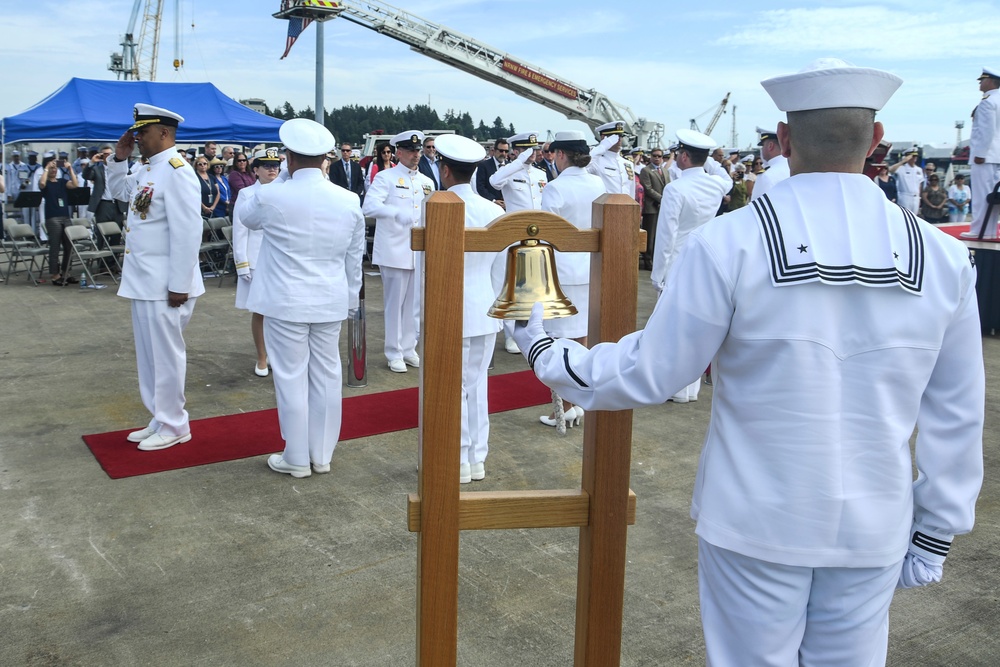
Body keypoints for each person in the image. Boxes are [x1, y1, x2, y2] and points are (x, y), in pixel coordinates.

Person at [513, 58, 984, 667]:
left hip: (756, 519)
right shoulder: (945, 258)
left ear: (784, 142)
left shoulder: (731, 242)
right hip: (875, 524)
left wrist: (552, 355)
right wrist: (939, 524)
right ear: (877, 141)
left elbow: (653, 371)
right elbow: (957, 410)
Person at [241, 119, 366, 478]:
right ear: (327, 158)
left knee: (291, 375)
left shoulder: (271, 193)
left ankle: (296, 457)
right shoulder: (348, 199)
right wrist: (351, 301)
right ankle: (321, 454)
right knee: (326, 375)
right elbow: (353, 258)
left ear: (289, 158)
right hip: (330, 298)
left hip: (286, 300)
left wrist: (281, 178)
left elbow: (248, 219)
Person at [106, 103, 205, 451]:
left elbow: (188, 231)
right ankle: (161, 415)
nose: (137, 139)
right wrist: (118, 159)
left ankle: (176, 424)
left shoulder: (177, 171)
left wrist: (179, 284)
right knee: (149, 356)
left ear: (163, 133)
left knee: (166, 356)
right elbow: (119, 193)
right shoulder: (147, 169)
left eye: (142, 133)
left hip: (166, 284)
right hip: (144, 281)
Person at [435, 134, 505, 483]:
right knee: (477, 386)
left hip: (448, 307)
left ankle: (459, 458)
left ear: (445, 170)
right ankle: (477, 457)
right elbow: (501, 270)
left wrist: (422, 317)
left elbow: (425, 271)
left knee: (452, 387)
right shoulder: (494, 210)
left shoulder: (434, 205)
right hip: (484, 307)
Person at [650, 129, 732, 404]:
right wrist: (710, 160)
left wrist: (658, 274)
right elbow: (725, 179)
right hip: (706, 260)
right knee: (696, 328)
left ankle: (673, 386)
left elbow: (666, 236)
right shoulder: (716, 185)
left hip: (677, 263)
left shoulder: (675, 189)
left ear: (683, 156)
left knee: (671, 329)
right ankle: (689, 389)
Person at [536, 130, 606, 429]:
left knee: (560, 343)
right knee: (581, 339)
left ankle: (562, 407)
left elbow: (543, 235)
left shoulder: (555, 188)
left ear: (561, 155)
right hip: (590, 269)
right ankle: (575, 403)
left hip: (562, 273)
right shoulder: (598, 182)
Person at [362, 130, 435, 373]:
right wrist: (393, 212)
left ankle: (409, 347)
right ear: (399, 152)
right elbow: (369, 206)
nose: (416, 155)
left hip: (418, 252)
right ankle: (393, 351)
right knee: (394, 305)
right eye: (411, 151)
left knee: (414, 305)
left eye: (418, 150)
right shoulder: (386, 177)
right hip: (394, 249)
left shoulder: (427, 182)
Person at [488, 131, 548, 354]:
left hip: (536, 236)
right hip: (513, 236)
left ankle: (530, 330)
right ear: (517, 151)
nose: (533, 153)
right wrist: (519, 161)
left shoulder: (541, 174)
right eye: (527, 149)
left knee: (532, 287)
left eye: (535, 149)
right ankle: (510, 333)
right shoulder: (508, 172)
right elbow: (494, 182)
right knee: (509, 286)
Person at [232, 148, 282, 377]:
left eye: (275, 165)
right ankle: (262, 357)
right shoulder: (246, 194)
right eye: (266, 165)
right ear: (255, 170)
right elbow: (240, 231)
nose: (272, 169)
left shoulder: (286, 191)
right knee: (260, 310)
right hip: (257, 257)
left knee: (281, 311)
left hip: (281, 259)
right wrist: (242, 263)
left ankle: (278, 354)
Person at [962, 67, 1000, 239]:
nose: (980, 82)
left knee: (981, 195)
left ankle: (979, 230)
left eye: (982, 80)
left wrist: (980, 153)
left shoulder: (988, 102)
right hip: (995, 155)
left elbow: (986, 130)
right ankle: (989, 231)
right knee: (990, 196)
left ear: (990, 82)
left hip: (985, 157)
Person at [38, 152, 79, 286]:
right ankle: (55, 275)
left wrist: (70, 168)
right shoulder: (45, 183)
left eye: (55, 168)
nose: (54, 170)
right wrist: (46, 168)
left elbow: (75, 185)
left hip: (65, 216)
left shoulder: (62, 182)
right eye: (51, 168)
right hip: (53, 218)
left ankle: (66, 272)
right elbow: (42, 184)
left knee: (69, 246)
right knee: (55, 246)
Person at [638, 147, 669, 270]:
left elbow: (668, 187)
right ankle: (647, 260)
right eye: (654, 156)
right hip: (651, 208)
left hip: (663, 207)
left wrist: (667, 200)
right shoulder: (646, 170)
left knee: (659, 235)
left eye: (659, 156)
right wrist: (662, 199)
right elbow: (648, 188)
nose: (657, 158)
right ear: (650, 157)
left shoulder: (665, 171)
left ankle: (655, 260)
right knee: (649, 235)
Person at [587, 120, 636, 197]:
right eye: (615, 136)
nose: (619, 139)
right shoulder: (596, 160)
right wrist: (602, 147)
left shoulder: (628, 163)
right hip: (604, 207)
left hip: (626, 207)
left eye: (621, 136)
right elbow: (582, 167)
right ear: (603, 137)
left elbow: (632, 192)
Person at [83, 145, 128, 226]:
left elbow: (129, 179)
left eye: (110, 154)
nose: (108, 156)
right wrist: (92, 162)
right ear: (101, 155)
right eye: (105, 154)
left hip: (118, 205)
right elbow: (86, 176)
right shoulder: (97, 169)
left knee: (117, 234)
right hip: (103, 205)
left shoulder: (119, 169)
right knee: (102, 232)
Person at [749, 126, 789, 201]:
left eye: (763, 145)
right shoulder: (793, 168)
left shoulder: (766, 175)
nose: (762, 149)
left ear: (770, 146)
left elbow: (757, 208)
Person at [474, 138, 508, 207]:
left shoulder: (510, 166)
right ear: (494, 151)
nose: (503, 154)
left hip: (507, 205)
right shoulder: (484, 165)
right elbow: (480, 187)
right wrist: (494, 200)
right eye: (501, 151)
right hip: (490, 205)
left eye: (506, 151)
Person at [889, 149, 923, 214]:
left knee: (914, 217)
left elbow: (919, 184)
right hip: (905, 196)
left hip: (916, 197)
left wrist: (919, 197)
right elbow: (890, 170)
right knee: (905, 216)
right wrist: (903, 161)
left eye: (916, 156)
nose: (915, 158)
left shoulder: (919, 170)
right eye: (912, 156)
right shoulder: (901, 168)